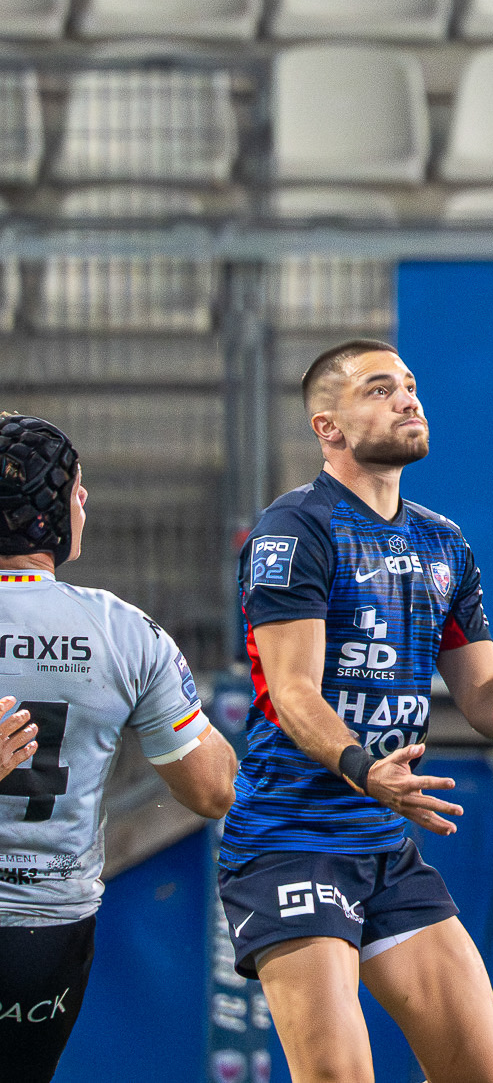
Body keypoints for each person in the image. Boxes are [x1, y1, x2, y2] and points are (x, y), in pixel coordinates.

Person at [215, 340, 493, 1083]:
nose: (409, 399)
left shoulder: (444, 542)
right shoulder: (295, 529)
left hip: (384, 847)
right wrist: (362, 768)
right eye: (381, 390)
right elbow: (292, 693)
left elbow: (481, 694)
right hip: (292, 839)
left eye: (410, 385)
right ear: (329, 427)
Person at [0, 413, 239, 1083]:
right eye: (78, 491)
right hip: (47, 934)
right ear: (55, 513)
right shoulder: (122, 631)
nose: (87, 503)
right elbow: (211, 790)